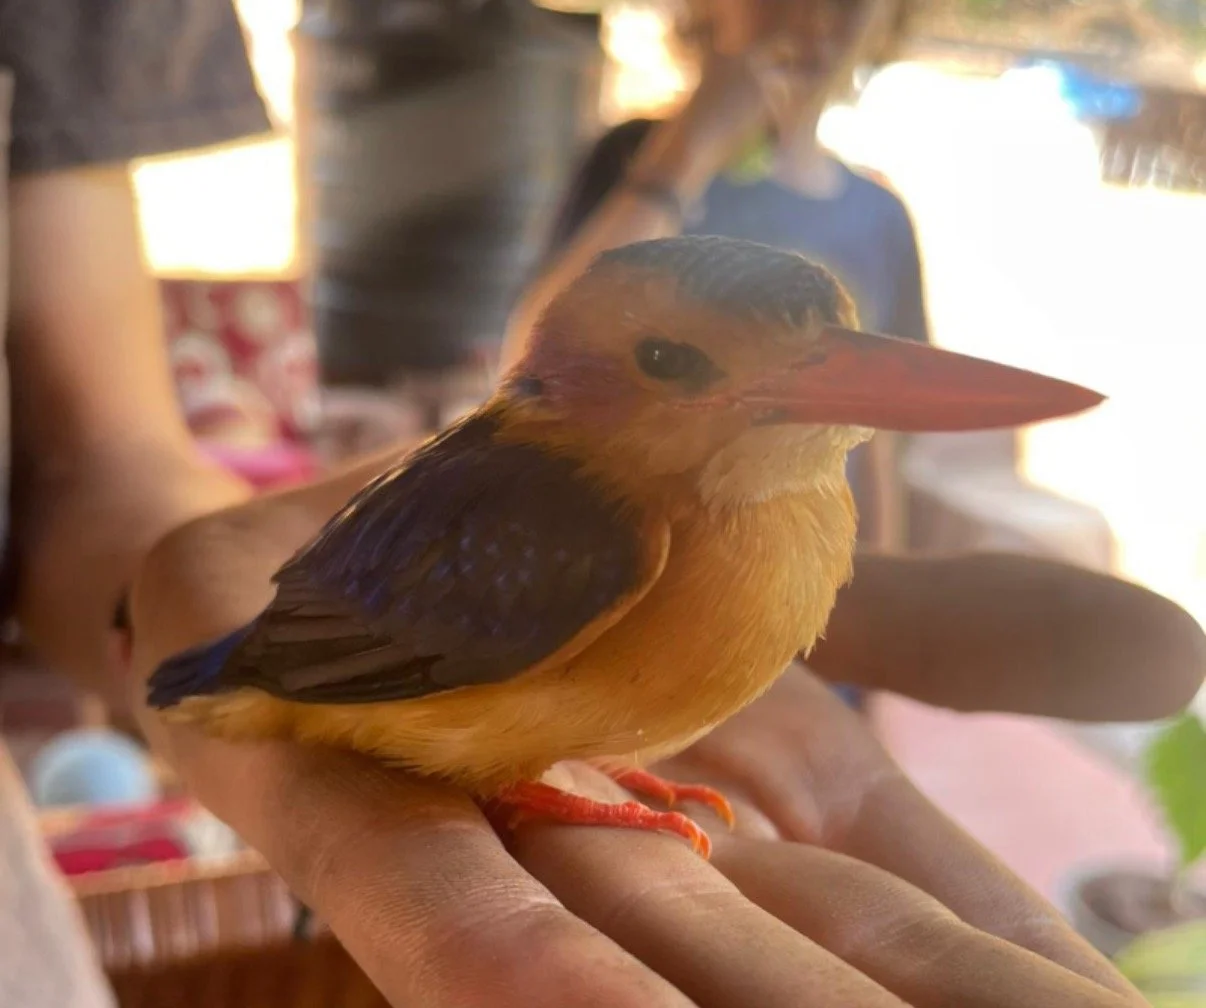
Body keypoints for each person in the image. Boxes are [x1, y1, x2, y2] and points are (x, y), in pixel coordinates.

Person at [2, 2, 1204, 1007]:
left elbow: (91, 456)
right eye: (682, 367)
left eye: (830, 349)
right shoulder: (589, 519)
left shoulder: (799, 497)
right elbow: (331, 672)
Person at [510, 0, 924, 553]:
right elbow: (527, 368)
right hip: (637, 570)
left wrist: (874, 579)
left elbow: (874, 443)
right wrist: (693, 144)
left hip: (793, 589)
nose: (812, 17)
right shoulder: (638, 160)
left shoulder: (878, 218)